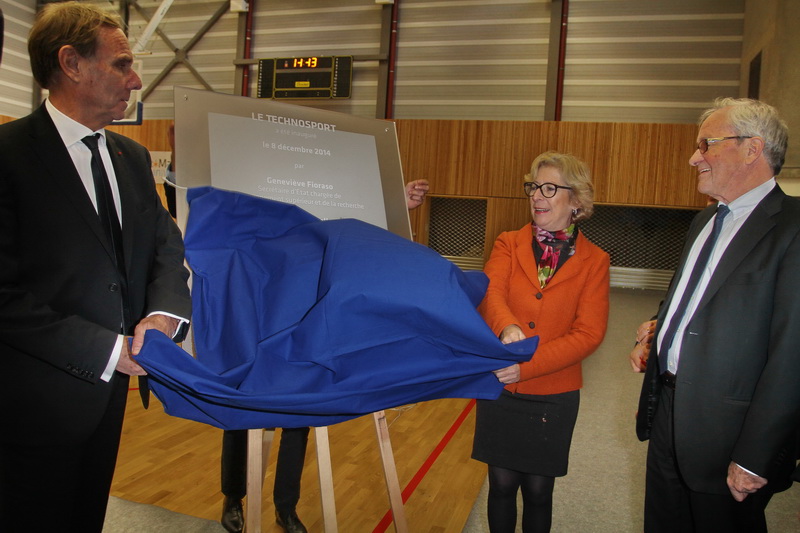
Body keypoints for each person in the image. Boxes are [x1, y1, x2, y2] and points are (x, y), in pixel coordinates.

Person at [0, 3, 192, 532]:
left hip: (107, 400)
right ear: (71, 63)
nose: (135, 79)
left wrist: (163, 316)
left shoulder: (130, 160)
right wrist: (108, 349)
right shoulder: (9, 157)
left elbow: (165, 246)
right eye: (122, 64)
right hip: (31, 407)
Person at [220, 178, 430, 533]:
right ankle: (232, 498)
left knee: (299, 420)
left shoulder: (320, 177)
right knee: (240, 410)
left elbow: (350, 223)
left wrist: (396, 205)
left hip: (306, 306)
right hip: (257, 297)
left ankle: (285, 508)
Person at [636, 97, 800, 532]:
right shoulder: (704, 221)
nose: (694, 157)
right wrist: (658, 329)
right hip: (670, 414)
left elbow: (793, 356)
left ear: (752, 149)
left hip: (731, 432)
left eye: (706, 144)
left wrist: (754, 456)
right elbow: (690, 297)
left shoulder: (793, 228)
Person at [472, 151, 610, 532]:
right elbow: (491, 292)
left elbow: (589, 334)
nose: (537, 196)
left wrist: (526, 364)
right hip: (500, 385)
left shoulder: (595, 261)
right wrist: (506, 327)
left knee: (537, 491)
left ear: (577, 200)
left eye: (549, 188)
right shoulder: (508, 243)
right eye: (534, 187)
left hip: (554, 392)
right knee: (499, 485)